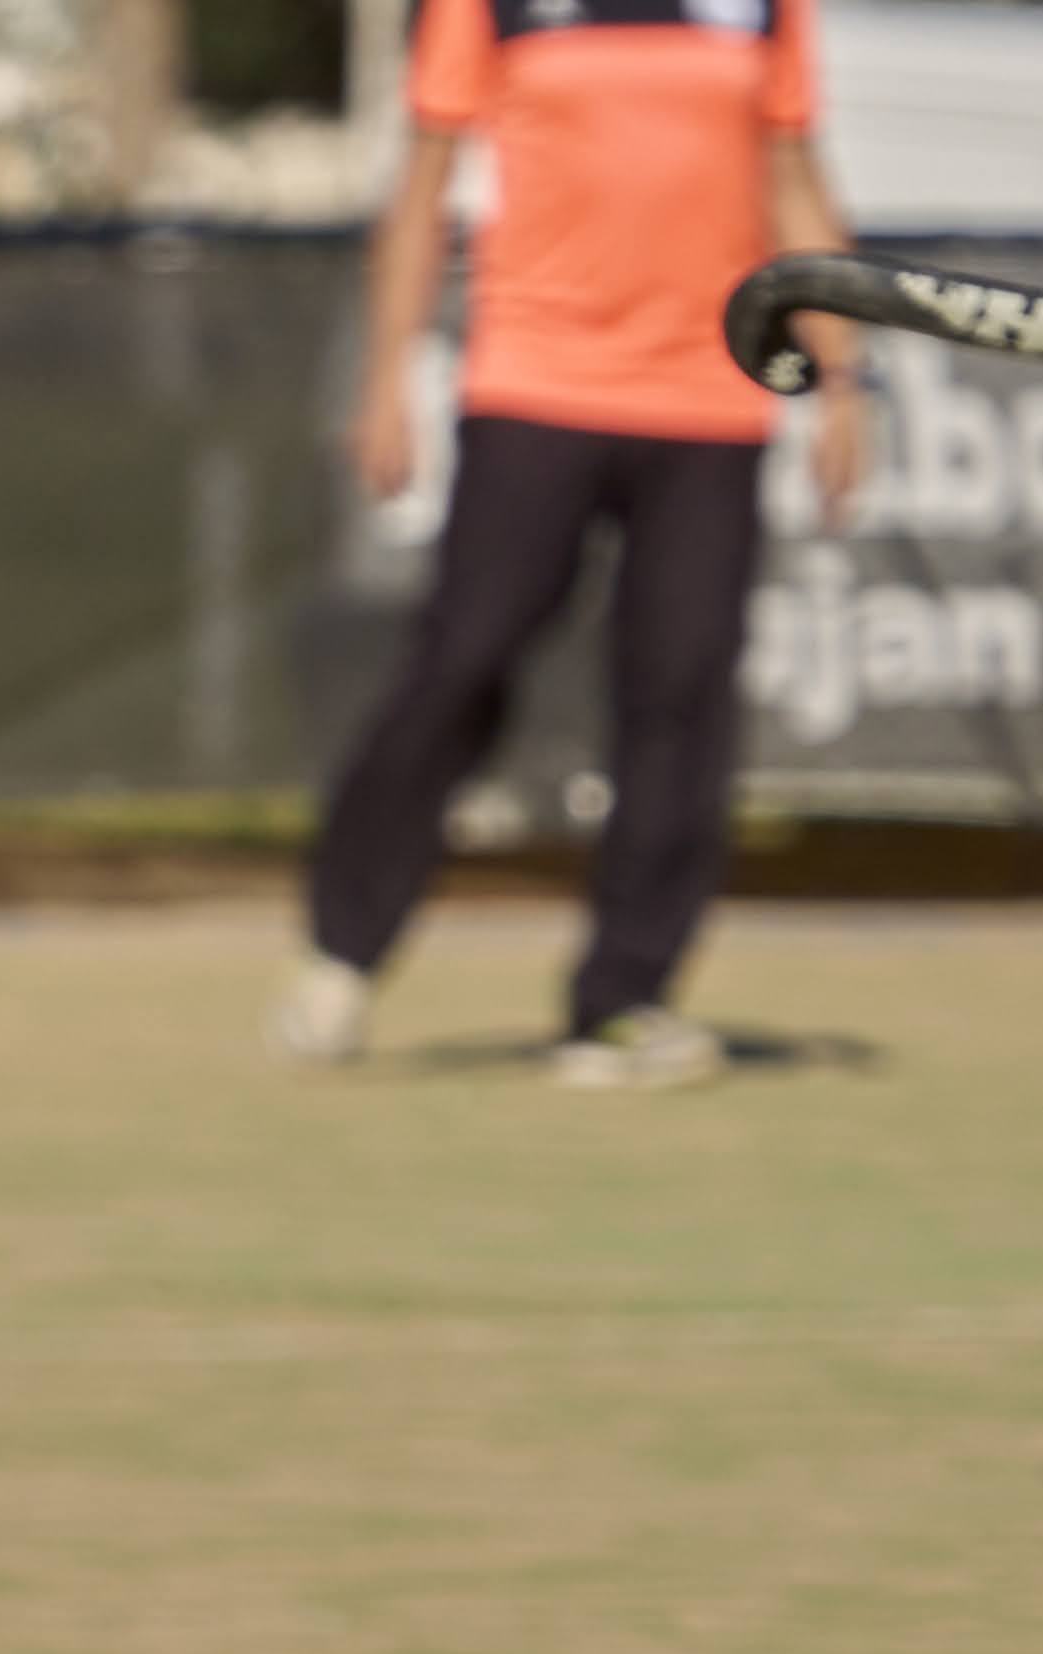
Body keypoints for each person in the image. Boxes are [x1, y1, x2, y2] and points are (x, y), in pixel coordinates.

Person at [275, 0, 870, 1089]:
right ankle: (342, 948)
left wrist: (842, 380)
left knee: (680, 692)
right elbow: (420, 185)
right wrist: (382, 382)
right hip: (533, 386)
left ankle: (622, 1001)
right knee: (464, 657)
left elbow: (792, 177)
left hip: (712, 401)